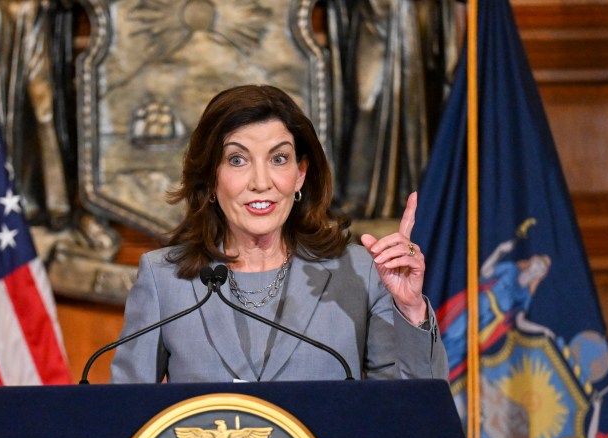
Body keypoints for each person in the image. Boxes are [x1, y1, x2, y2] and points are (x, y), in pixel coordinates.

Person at [110, 85, 448, 383]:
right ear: (211, 178)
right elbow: (126, 418)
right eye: (238, 159)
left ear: (300, 174)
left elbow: (410, 414)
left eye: (279, 158)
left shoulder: (359, 273)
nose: (261, 182)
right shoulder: (164, 280)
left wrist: (410, 310)